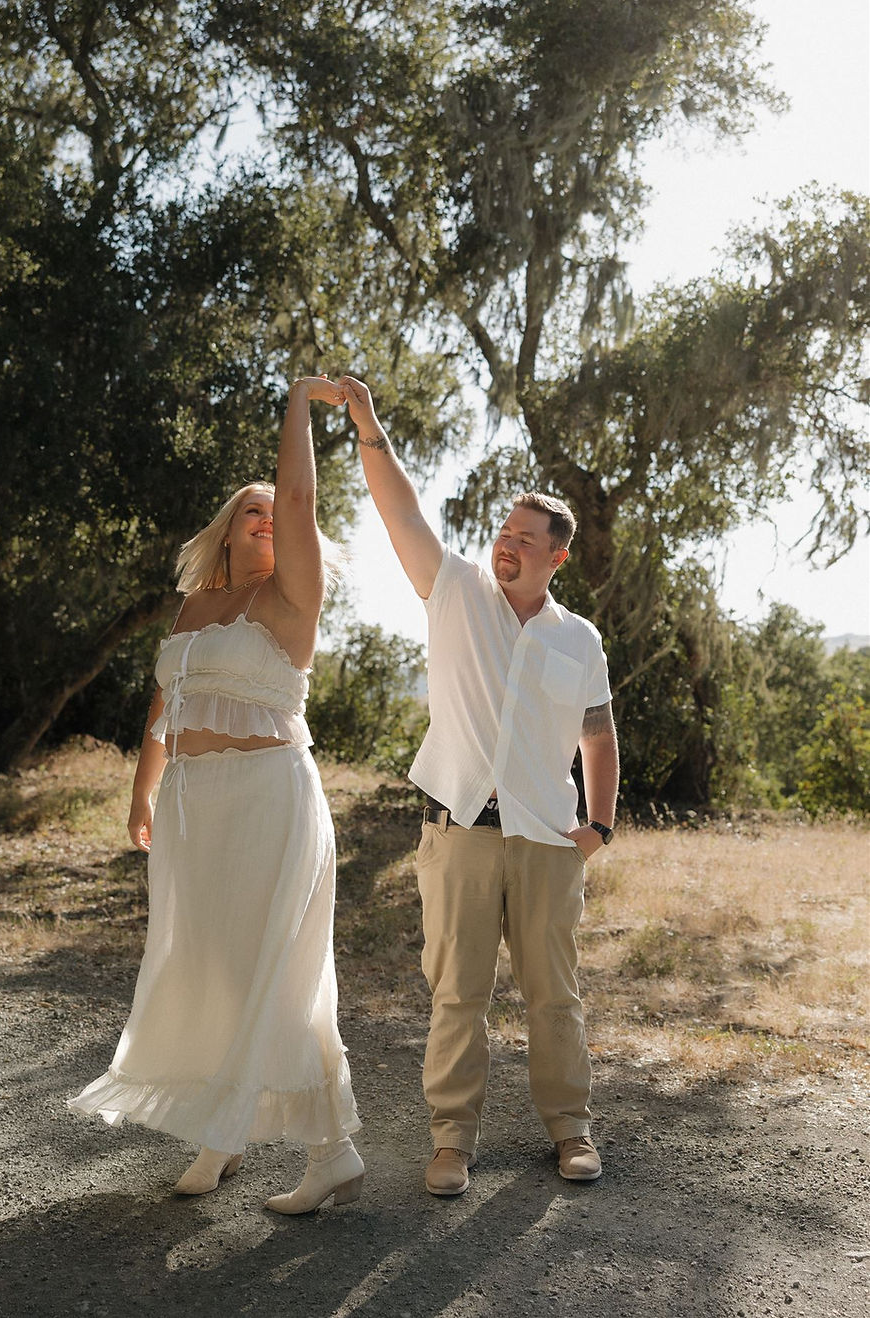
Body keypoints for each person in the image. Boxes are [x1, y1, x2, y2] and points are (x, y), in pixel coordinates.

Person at [69, 376, 364, 1215]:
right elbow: (165, 708)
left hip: (271, 794)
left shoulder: (290, 598)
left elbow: (302, 498)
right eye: (252, 512)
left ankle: (330, 1149)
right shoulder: (194, 605)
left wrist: (301, 403)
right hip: (194, 807)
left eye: (278, 515)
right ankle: (223, 1133)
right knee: (208, 967)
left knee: (277, 971)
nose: (269, 521)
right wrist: (143, 796)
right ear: (227, 528)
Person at [340, 374, 619, 1194]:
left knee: (554, 1000)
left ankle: (571, 1132)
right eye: (506, 530)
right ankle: (451, 1144)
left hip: (546, 841)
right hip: (458, 830)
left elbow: (598, 735)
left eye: (528, 538)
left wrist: (599, 826)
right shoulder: (455, 589)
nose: (509, 544)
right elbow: (400, 512)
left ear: (557, 556)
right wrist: (369, 426)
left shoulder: (581, 640)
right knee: (456, 996)